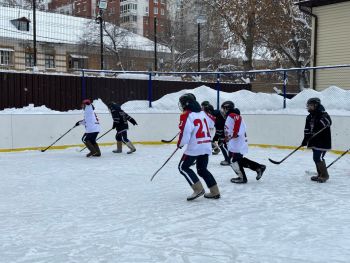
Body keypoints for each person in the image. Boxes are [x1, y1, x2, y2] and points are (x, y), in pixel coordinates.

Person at [177, 93, 220, 201]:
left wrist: (180, 144)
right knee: (202, 169)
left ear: (186, 104)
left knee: (183, 167)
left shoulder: (186, 115)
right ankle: (215, 191)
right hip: (206, 145)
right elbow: (212, 122)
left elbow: (186, 134)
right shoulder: (203, 113)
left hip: (195, 147)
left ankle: (198, 189)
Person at [222, 101, 266, 184]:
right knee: (237, 160)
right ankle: (259, 167)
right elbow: (229, 130)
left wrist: (235, 133)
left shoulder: (232, 115)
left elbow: (238, 120)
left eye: (223, 109)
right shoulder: (230, 116)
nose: (222, 111)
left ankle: (242, 178)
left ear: (227, 108)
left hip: (237, 143)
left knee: (233, 160)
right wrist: (226, 139)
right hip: (235, 142)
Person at [302, 97, 332, 183]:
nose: (309, 107)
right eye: (308, 106)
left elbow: (328, 122)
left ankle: (325, 175)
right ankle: (320, 174)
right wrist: (305, 139)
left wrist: (318, 125)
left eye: (311, 106)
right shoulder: (309, 117)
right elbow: (307, 129)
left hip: (323, 141)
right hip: (314, 141)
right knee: (315, 158)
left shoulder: (323, 114)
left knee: (319, 157)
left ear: (316, 105)